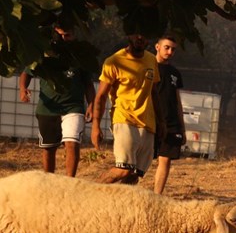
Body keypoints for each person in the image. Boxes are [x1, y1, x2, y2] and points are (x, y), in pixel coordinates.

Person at [17, 25, 96, 176]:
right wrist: (22, 89)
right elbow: (26, 73)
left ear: (74, 35)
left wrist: (91, 105)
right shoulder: (45, 53)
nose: (63, 39)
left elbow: (88, 84)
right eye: (60, 36)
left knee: (72, 144)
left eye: (67, 35)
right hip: (48, 107)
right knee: (49, 148)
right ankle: (49, 180)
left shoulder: (79, 56)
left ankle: (69, 182)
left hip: (73, 107)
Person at [91, 34, 161, 185]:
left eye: (144, 33)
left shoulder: (151, 59)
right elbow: (101, 96)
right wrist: (95, 126)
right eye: (136, 33)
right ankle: (92, 193)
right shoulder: (114, 61)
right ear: (129, 35)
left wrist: (161, 122)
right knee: (123, 169)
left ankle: (118, 206)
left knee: (134, 175)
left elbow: (154, 92)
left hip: (147, 122)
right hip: (124, 118)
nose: (140, 37)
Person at [152, 33, 186, 194]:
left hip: (171, 123)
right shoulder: (147, 66)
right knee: (139, 162)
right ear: (157, 47)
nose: (169, 52)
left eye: (173, 49)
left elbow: (177, 101)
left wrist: (182, 128)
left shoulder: (175, 73)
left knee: (165, 160)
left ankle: (157, 196)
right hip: (150, 121)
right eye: (166, 47)